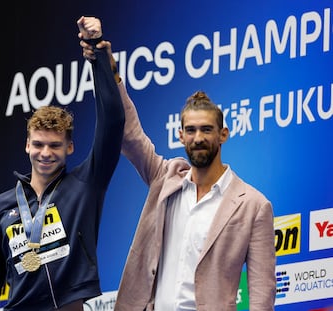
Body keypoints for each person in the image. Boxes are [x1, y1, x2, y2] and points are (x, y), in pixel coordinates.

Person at [80, 20, 276, 311]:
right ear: (181, 135)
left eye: (207, 130)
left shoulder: (253, 205)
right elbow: (130, 134)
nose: (199, 138)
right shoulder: (166, 178)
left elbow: (262, 294)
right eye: (192, 130)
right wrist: (110, 72)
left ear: (223, 134)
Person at [0, 17, 125, 311]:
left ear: (69, 147)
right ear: (27, 145)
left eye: (55, 145)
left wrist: (97, 53)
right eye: (38, 144)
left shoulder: (86, 185)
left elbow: (114, 121)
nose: (45, 153)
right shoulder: (1, 207)